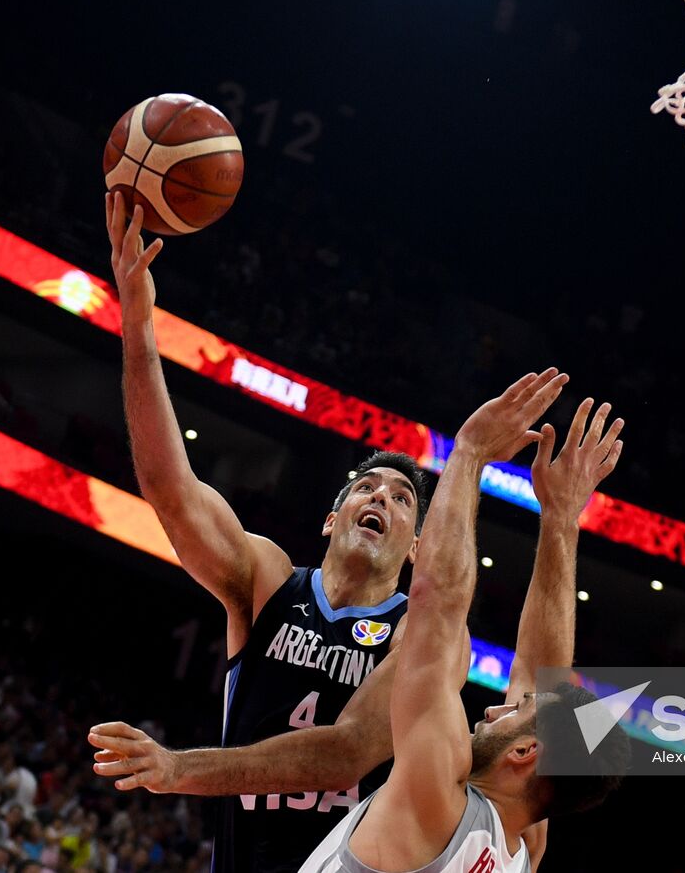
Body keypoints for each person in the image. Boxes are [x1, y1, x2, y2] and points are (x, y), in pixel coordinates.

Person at [89, 193, 470, 871]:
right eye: (365, 487)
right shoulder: (267, 581)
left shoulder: (423, 630)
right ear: (332, 518)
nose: (381, 494)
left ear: (416, 549)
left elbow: (347, 752)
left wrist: (181, 769)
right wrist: (138, 322)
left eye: (403, 497)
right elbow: (172, 493)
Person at [301, 378, 632, 872]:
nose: (497, 709)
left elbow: (435, 605)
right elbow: (545, 675)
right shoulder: (520, 850)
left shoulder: (438, 806)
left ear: (524, 751)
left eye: (518, 711)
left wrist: (471, 452)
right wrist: (560, 517)